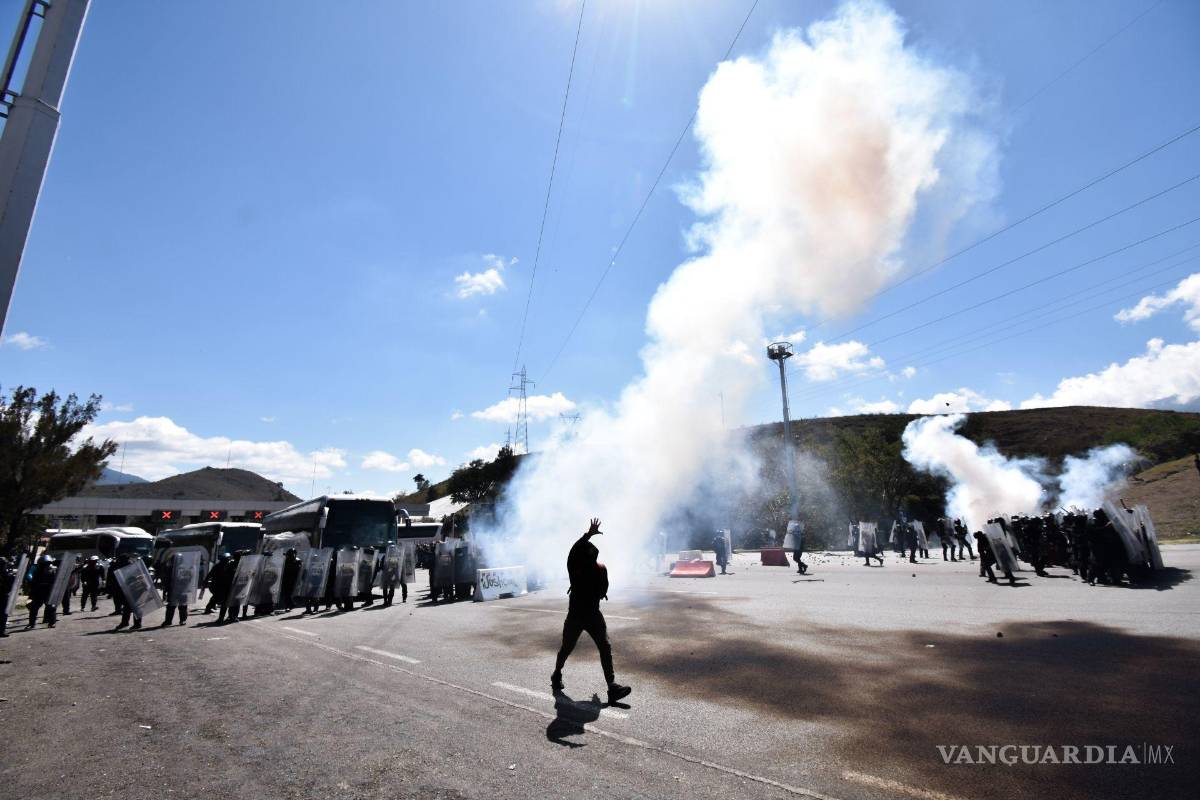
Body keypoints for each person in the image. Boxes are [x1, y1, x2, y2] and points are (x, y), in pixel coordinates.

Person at [551, 519, 631, 705]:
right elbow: (603, 591)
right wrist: (588, 534)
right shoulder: (590, 568)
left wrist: (588, 535)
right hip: (578, 615)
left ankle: (612, 687)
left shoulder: (578, 568)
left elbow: (574, 551)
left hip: (591, 614)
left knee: (604, 646)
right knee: (567, 647)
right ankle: (556, 674)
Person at [26, 554, 57, 629]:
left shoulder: (52, 570)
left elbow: (55, 581)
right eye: (45, 564)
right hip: (38, 591)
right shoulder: (36, 569)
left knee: (51, 607)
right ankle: (31, 624)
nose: (47, 565)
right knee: (34, 607)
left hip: (48, 591)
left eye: (48, 563)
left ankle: (51, 623)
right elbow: (30, 578)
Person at [160, 551, 189, 627]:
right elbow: (166, 580)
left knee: (180, 606)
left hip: (180, 590)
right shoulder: (170, 568)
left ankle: (179, 620)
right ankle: (171, 621)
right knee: (172, 606)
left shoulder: (183, 568)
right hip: (174, 590)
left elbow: (188, 578)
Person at [0, 556, 15, 637]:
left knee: (3, 614)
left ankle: (1, 630)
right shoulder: (6, 574)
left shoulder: (7, 574)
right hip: (3, 595)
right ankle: (1, 631)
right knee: (3, 614)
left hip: (3, 594)